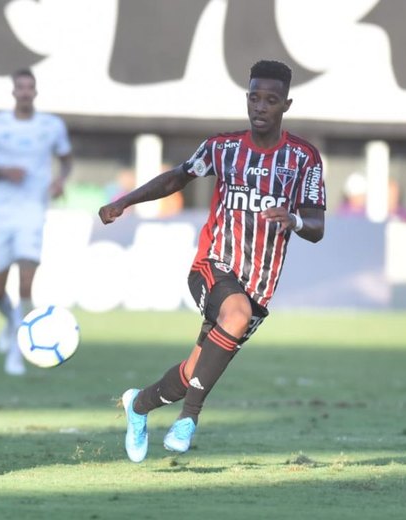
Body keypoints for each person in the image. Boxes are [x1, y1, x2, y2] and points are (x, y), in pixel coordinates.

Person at [98, 60, 326, 462]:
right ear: (247, 98)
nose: (260, 106)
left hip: (259, 285)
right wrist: (125, 202)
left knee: (193, 373)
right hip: (212, 264)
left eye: (270, 100)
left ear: (285, 105)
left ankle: (138, 405)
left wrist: (291, 218)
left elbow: (316, 225)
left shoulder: (303, 159)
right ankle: (188, 420)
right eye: (254, 97)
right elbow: (177, 177)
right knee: (233, 315)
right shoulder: (223, 147)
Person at [0, 68, 73, 375]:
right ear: (14, 91)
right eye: (21, 87)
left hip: (33, 211)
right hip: (1, 212)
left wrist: (59, 181)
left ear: (36, 91)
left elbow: (66, 159)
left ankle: (17, 351)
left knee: (26, 283)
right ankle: (11, 321)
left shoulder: (51, 126)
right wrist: (3, 172)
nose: (25, 92)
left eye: (30, 87)